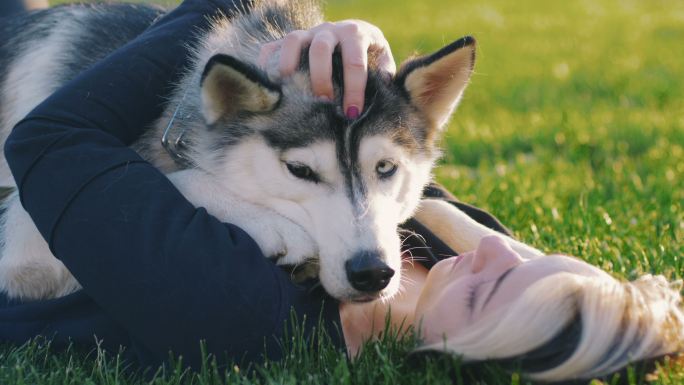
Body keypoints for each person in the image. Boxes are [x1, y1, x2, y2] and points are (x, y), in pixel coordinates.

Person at [0, 0, 509, 371]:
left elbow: (29, 249)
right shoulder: (465, 245)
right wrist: (337, 33)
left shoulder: (251, 310)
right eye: (527, 260)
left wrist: (265, 7)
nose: (500, 258)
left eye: (500, 289)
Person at [340, 203, 684, 382]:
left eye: (481, 295)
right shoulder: (458, 236)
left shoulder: (291, 325)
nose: (492, 246)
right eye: (532, 260)